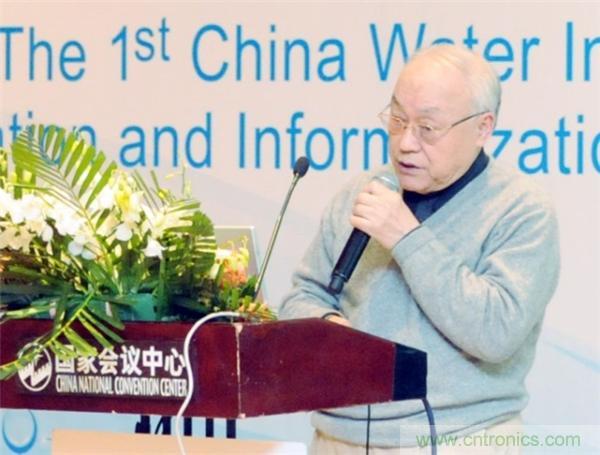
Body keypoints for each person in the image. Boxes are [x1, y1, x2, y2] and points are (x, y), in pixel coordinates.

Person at [279, 44, 560, 454]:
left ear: (483, 128)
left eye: (427, 128)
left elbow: (496, 333)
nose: (405, 143)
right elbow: (302, 295)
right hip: (338, 438)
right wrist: (327, 325)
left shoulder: (521, 210)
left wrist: (407, 238)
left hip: (461, 439)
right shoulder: (363, 192)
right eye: (397, 120)